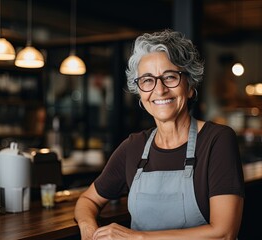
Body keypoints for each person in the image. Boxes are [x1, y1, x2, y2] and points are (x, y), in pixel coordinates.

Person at [74, 29, 245, 240]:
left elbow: (224, 233)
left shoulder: (217, 140)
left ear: (190, 86)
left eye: (170, 77)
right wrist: (89, 229)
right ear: (140, 93)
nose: (160, 90)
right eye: (147, 80)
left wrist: (138, 238)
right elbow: (87, 201)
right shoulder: (133, 147)